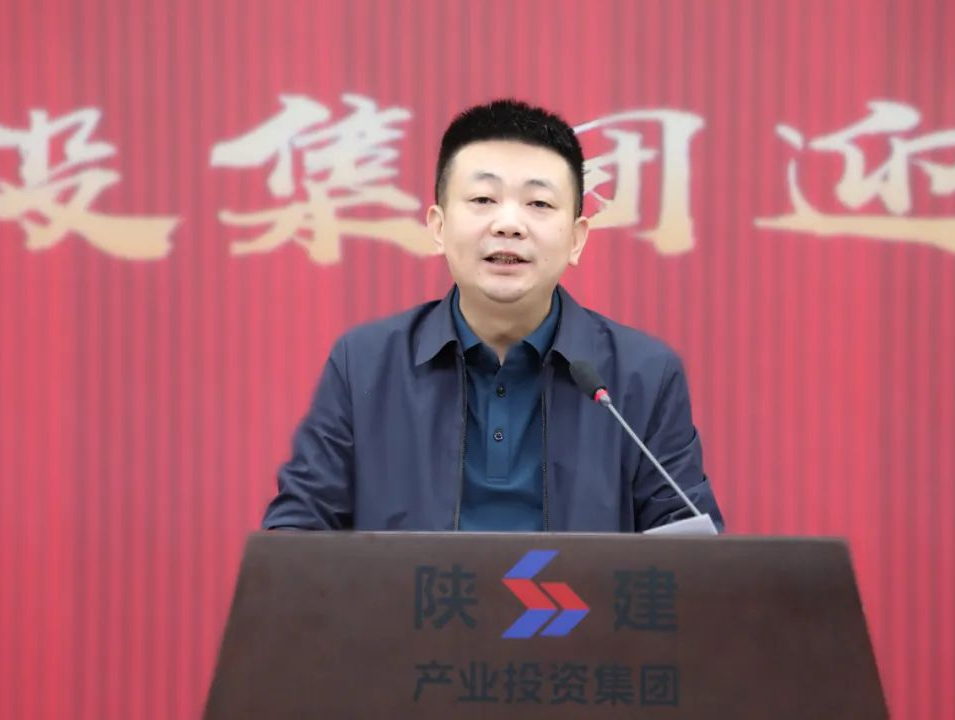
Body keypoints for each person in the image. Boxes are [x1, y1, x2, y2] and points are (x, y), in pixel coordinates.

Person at [262, 99, 724, 532]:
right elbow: (298, 532)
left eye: (539, 204)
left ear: (577, 239)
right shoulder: (365, 364)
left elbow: (688, 551)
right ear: (438, 227)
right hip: (414, 598)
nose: (508, 224)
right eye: (483, 200)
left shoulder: (642, 375)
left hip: (584, 600)